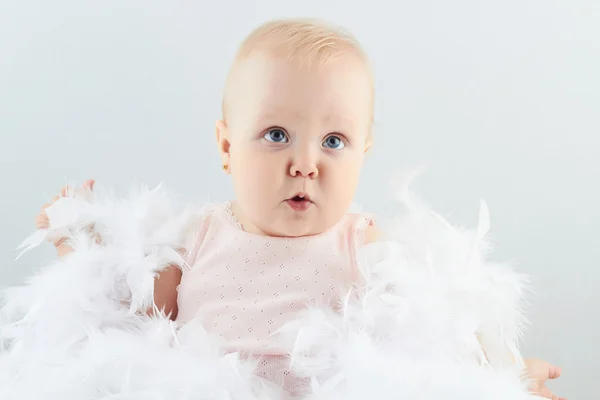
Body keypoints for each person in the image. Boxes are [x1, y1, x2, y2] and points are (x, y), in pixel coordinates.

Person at [34, 18, 565, 400]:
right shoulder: (199, 237)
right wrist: (82, 249)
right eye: (277, 135)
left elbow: (437, 334)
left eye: (334, 141)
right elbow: (139, 326)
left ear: (364, 155)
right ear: (226, 147)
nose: (305, 163)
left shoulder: (366, 245)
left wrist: (503, 377)